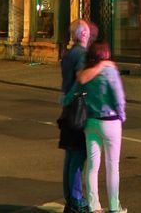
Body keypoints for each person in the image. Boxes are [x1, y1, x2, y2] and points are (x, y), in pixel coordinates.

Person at [69, 42, 126, 213]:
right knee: (112, 166)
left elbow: (79, 85)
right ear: (106, 55)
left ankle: (94, 206)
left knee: (93, 166)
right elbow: (118, 97)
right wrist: (122, 116)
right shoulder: (109, 72)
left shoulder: (87, 73)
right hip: (111, 121)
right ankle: (115, 207)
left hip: (91, 122)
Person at [58, 19, 93, 213]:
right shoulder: (81, 54)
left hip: (68, 110)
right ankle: (76, 200)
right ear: (82, 35)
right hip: (78, 110)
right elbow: (81, 78)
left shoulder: (68, 54)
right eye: (87, 30)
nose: (89, 34)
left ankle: (70, 198)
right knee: (78, 157)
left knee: (70, 156)